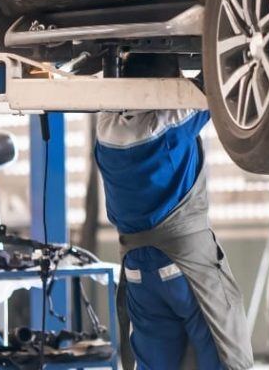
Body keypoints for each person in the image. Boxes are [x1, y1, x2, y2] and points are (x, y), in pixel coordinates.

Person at [95, 55, 252, 370]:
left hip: (139, 274)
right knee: (223, 357)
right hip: (185, 266)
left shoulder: (105, 129)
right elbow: (219, 82)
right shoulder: (168, 123)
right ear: (165, 86)